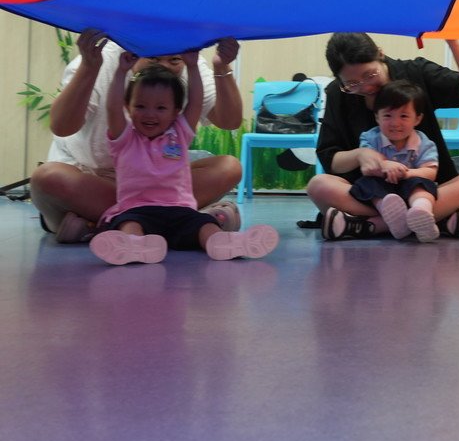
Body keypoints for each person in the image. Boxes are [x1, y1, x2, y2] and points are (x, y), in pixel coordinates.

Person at [30, 29, 245, 243]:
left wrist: (221, 66)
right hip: (93, 180)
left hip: (157, 187)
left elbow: (228, 120)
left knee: (229, 167)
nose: (164, 67)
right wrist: (89, 67)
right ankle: (182, 221)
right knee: (48, 177)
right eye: (153, 58)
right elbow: (63, 126)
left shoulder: (188, 60)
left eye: (173, 60)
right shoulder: (100, 61)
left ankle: (100, 224)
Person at [89, 51, 278, 265]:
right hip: (137, 210)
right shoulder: (124, 139)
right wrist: (121, 71)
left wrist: (193, 67)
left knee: (204, 223)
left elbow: (196, 102)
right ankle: (134, 245)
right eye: (140, 106)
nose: (150, 114)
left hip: (179, 210)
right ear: (128, 107)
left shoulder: (179, 133)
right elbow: (112, 107)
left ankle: (224, 242)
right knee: (128, 223)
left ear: (176, 111)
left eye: (161, 108)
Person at [307, 34, 459, 240]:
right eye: (352, 83)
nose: (366, 87)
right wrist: (360, 155)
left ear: (380, 54)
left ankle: (370, 225)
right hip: (370, 196)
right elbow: (330, 159)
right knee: (318, 185)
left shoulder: (415, 73)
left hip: (425, 193)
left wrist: (453, 42)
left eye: (370, 75)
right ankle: (434, 219)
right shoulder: (338, 93)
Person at [348, 80, 441, 242]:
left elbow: (431, 172)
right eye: (387, 115)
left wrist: (406, 173)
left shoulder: (424, 143)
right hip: (381, 185)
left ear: (417, 119)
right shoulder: (370, 138)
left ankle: (421, 211)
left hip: (409, 184)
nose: (395, 123)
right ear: (377, 117)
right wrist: (384, 165)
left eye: (404, 116)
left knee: (423, 184)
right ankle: (391, 213)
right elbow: (367, 168)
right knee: (366, 184)